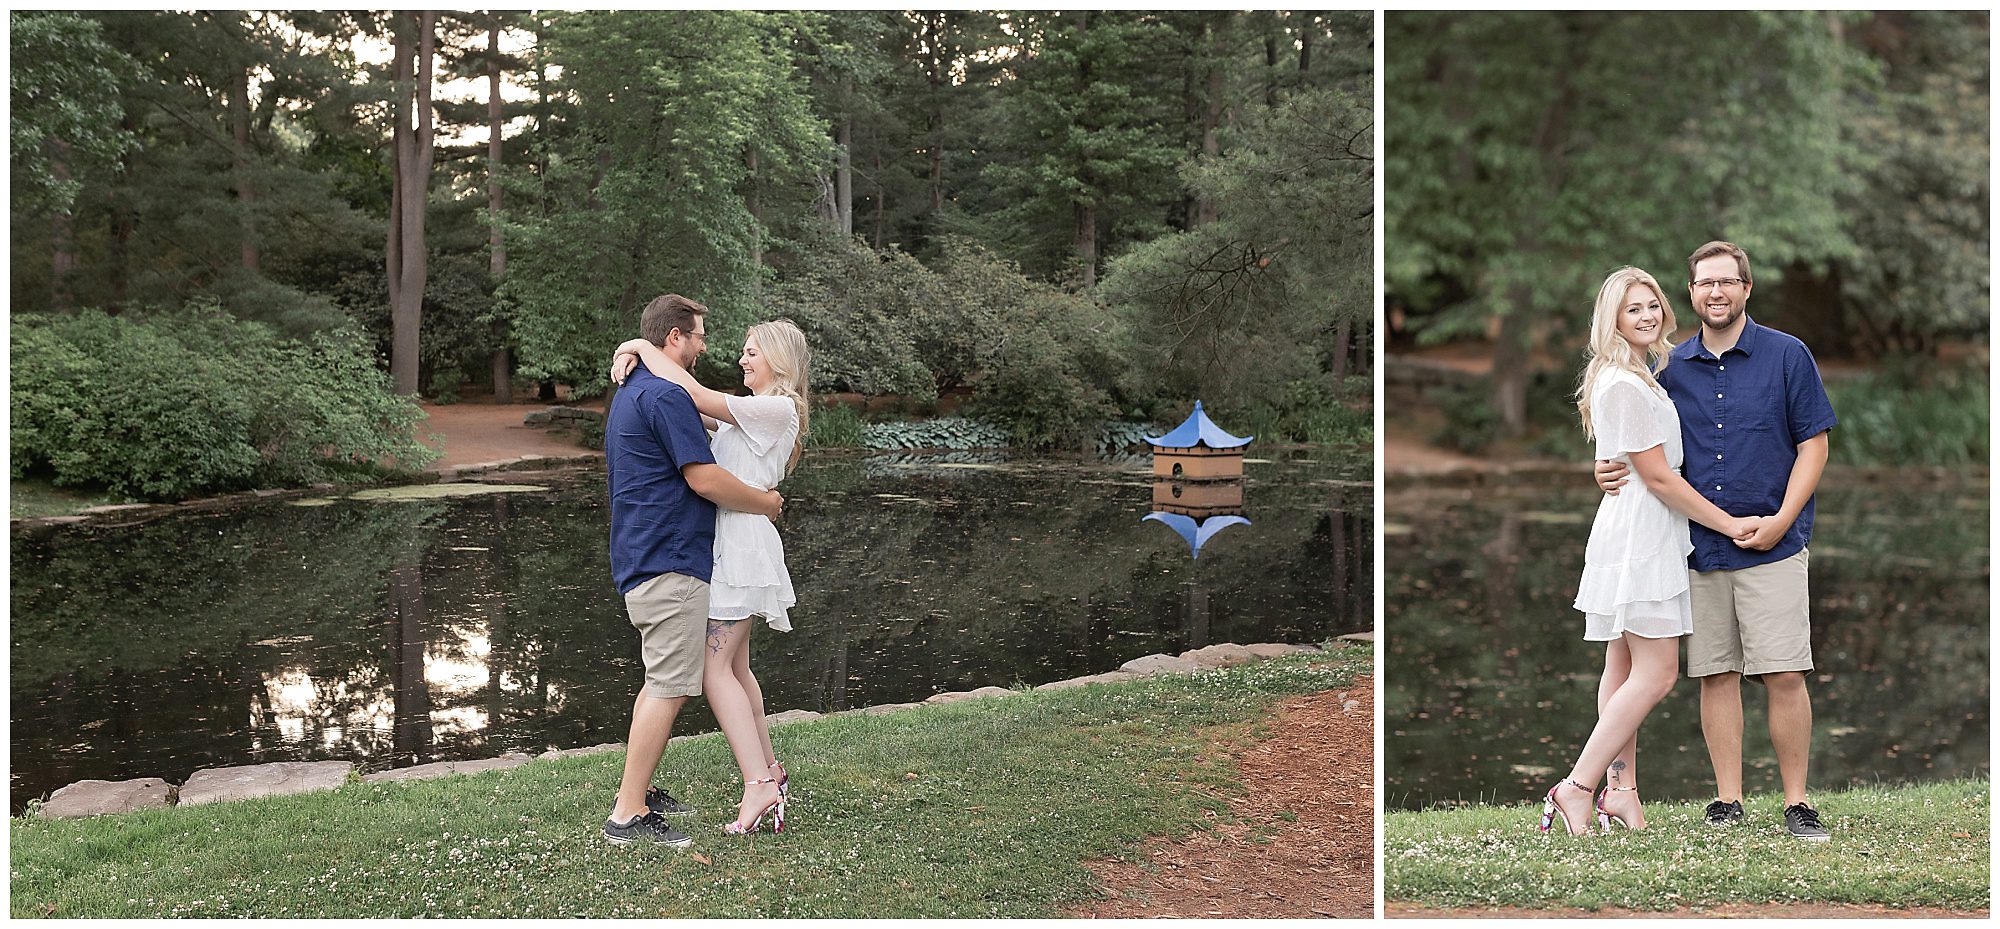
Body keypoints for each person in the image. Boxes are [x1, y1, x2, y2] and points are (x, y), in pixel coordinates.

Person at [1596, 242, 1837, 840]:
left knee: (1784, 673)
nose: (1716, 293)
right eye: (1705, 283)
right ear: (1693, 292)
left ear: (1746, 288)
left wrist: (1782, 517)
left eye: (1727, 282)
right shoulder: (1667, 369)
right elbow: (1640, 446)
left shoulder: (1787, 355)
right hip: (1696, 547)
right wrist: (1602, 469)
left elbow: (1815, 444)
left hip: (1773, 542)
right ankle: (1728, 801)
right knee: (1716, 675)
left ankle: (1797, 804)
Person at [1541, 267, 1761, 836]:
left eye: (1652, 306)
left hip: (1641, 525)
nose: (1646, 316)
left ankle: (1622, 793)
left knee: (1622, 666)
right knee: (1659, 672)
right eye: (1632, 309)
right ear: (1611, 319)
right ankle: (1578, 787)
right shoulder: (1622, 381)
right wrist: (1729, 523)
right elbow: (1659, 479)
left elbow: (1634, 460)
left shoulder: (1639, 375)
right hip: (1642, 530)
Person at [613, 317, 809, 836]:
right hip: (733, 544)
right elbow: (687, 403)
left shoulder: (774, 408)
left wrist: (637, 345)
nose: (742, 360)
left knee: (711, 669)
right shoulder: (749, 416)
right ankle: (770, 771)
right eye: (743, 352)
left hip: (741, 547)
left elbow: (693, 391)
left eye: (752, 353)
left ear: (779, 361)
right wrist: (642, 358)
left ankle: (758, 786)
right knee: (737, 670)